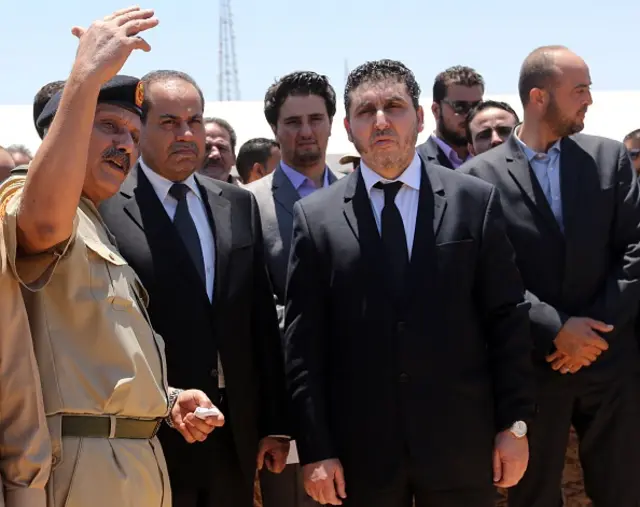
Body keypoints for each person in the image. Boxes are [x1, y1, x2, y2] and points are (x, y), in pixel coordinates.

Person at [283, 59, 535, 507]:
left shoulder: (474, 202)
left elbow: (507, 321)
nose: (380, 121)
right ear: (348, 127)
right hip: (361, 458)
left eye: (394, 107)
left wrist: (514, 426)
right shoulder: (315, 218)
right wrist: (317, 449)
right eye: (366, 111)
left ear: (419, 118)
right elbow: (304, 347)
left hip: (460, 446)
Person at [0, 8, 220, 507]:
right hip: (81, 467)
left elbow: (96, 359)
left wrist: (168, 400)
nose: (125, 144)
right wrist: (84, 77)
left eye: (133, 135)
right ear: (68, 128)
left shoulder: (95, 222)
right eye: (108, 126)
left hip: (135, 459)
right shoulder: (35, 200)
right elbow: (39, 226)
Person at [99, 68, 289, 507]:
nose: (185, 134)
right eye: (168, 123)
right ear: (139, 127)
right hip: (150, 432)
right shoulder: (106, 206)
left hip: (231, 432)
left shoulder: (236, 203)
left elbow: (259, 316)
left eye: (195, 121)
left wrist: (274, 423)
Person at [460, 45, 640, 507]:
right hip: (532, 370)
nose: (589, 100)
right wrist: (557, 330)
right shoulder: (477, 179)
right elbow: (489, 274)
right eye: (579, 90)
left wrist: (593, 332)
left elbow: (635, 250)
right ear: (539, 97)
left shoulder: (609, 159)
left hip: (611, 363)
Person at [246, 70, 343, 507]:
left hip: (357, 404)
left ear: (331, 123)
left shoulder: (362, 196)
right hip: (285, 408)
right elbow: (250, 310)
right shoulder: (247, 203)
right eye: (293, 122)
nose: (306, 131)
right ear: (274, 129)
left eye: (316, 119)